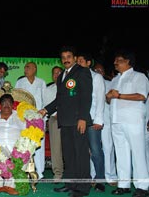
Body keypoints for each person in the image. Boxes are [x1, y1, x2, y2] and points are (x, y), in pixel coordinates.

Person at [39, 46, 92, 197]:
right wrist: (45, 110)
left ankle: (82, 188)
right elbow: (59, 99)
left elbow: (86, 96)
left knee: (80, 155)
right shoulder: (63, 74)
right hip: (65, 121)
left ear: (74, 58)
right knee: (68, 155)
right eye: (63, 57)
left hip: (77, 121)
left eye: (69, 56)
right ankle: (70, 184)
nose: (66, 59)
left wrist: (83, 117)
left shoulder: (82, 71)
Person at [106, 49, 149, 197]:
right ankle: (123, 184)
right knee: (121, 153)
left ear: (128, 61)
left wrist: (119, 95)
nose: (115, 63)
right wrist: (109, 96)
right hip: (116, 120)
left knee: (138, 153)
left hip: (133, 121)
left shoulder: (139, 77)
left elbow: (142, 96)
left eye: (118, 60)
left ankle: (142, 186)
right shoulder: (115, 79)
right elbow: (109, 98)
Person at [77, 53, 106, 192]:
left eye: (81, 61)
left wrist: (99, 120)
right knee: (82, 152)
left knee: (95, 151)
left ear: (89, 62)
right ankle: (86, 179)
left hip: (93, 119)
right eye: (77, 61)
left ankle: (100, 180)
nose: (78, 63)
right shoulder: (76, 77)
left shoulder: (96, 77)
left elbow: (100, 99)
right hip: (78, 120)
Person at [0, 94, 25, 195]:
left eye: (9, 103)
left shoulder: (19, 117)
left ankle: (9, 186)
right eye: (4, 103)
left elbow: (28, 131)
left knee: (22, 154)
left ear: (13, 105)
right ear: (0, 105)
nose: (6, 105)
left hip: (15, 147)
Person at [15, 62, 47, 179]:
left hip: (39, 118)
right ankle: (25, 170)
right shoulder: (20, 82)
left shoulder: (41, 82)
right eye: (25, 67)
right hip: (24, 119)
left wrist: (44, 116)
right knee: (25, 144)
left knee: (39, 145)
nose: (25, 69)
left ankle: (40, 171)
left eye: (28, 67)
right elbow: (17, 100)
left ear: (35, 69)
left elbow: (45, 101)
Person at [93, 62, 118, 186]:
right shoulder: (90, 84)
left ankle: (111, 176)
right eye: (96, 70)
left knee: (108, 148)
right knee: (94, 150)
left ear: (104, 73)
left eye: (101, 71)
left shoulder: (110, 85)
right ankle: (94, 175)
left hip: (107, 121)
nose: (99, 73)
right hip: (93, 121)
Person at [43, 66, 64, 181]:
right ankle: (58, 173)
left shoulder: (69, 86)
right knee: (55, 149)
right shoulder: (48, 89)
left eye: (59, 72)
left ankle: (72, 174)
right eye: (54, 73)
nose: (56, 75)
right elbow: (47, 105)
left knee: (69, 148)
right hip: (54, 120)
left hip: (69, 120)